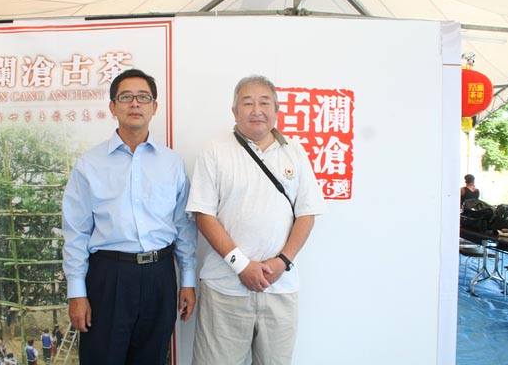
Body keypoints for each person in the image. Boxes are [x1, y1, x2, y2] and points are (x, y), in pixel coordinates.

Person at [186, 74, 328, 364]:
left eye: (264, 102)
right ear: (234, 111)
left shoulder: (295, 152)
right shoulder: (215, 150)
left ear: (277, 110)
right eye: (247, 103)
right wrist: (241, 265)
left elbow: (307, 213)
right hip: (225, 287)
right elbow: (203, 214)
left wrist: (282, 262)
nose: (256, 110)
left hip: (280, 287)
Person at [62, 68, 197, 364]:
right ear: (113, 107)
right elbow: (76, 232)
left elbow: (184, 228)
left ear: (154, 107)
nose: (135, 103)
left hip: (160, 276)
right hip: (108, 278)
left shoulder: (172, 164)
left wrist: (188, 280)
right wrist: (77, 292)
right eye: (125, 97)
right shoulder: (89, 164)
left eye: (143, 97)